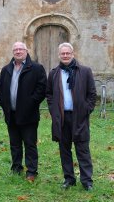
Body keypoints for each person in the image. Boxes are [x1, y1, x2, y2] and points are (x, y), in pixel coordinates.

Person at [46, 42, 96, 191]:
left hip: (79, 117)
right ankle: (69, 179)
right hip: (61, 118)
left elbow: (92, 94)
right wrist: (53, 109)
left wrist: (86, 109)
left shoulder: (85, 71)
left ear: (73, 54)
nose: (65, 56)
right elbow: (49, 94)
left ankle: (87, 181)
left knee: (82, 148)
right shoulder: (54, 73)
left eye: (68, 53)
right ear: (59, 55)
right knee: (64, 149)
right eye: (63, 53)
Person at [0, 42, 47, 182]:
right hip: (11, 114)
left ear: (26, 51)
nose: (18, 51)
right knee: (14, 143)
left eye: (21, 49)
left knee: (30, 143)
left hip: (29, 115)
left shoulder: (36, 68)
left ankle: (31, 171)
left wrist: (30, 103)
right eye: (15, 49)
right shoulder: (6, 69)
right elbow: (0, 89)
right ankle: (16, 167)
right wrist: (5, 104)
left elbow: (42, 88)